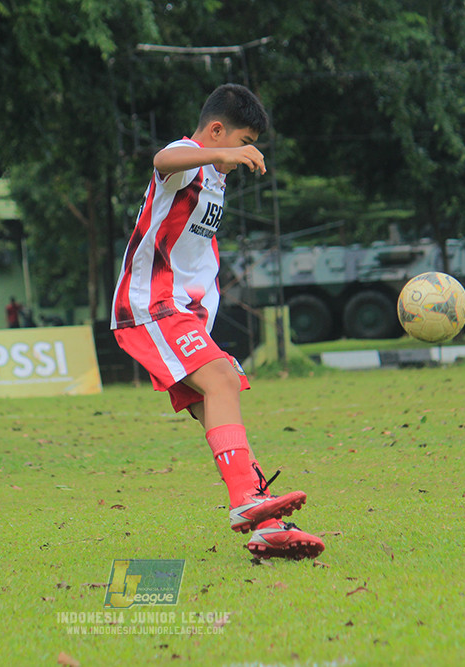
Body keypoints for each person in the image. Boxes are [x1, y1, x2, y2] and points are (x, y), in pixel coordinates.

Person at [110, 83, 324, 559]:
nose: (247, 154)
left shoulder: (213, 175)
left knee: (218, 405)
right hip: (152, 307)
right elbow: (163, 160)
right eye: (243, 142)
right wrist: (208, 154)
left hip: (184, 315)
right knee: (225, 379)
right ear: (215, 130)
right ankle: (248, 503)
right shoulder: (188, 161)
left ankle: (264, 524)